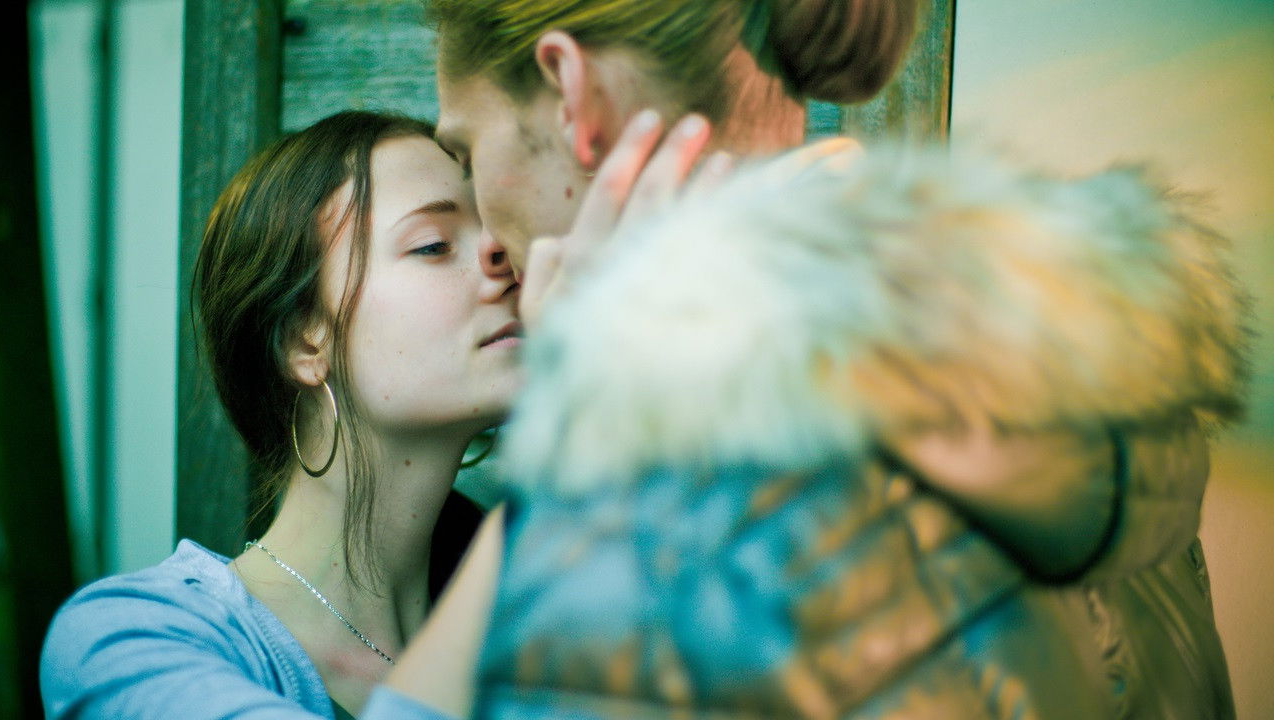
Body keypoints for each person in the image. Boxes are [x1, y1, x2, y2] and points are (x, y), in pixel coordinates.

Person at [410, 0, 1238, 716]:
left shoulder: (676, 473)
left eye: (468, 153)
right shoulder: (1054, 350)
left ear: (573, 94)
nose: (487, 244)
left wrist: (581, 430)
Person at [40, 111, 514, 719]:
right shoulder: (129, 643)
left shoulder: (565, 626)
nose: (506, 256)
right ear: (303, 339)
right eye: (433, 245)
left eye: (501, 229)